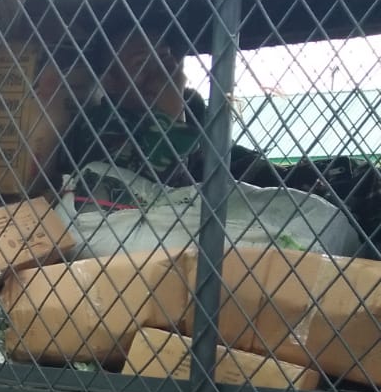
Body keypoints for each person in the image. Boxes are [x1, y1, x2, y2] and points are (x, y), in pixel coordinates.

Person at [64, 32, 381, 258]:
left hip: (234, 180)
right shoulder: (105, 128)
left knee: (355, 179)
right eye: (141, 65)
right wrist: (170, 101)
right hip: (204, 195)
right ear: (111, 82)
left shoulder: (198, 117)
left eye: (165, 58)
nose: (164, 70)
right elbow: (163, 170)